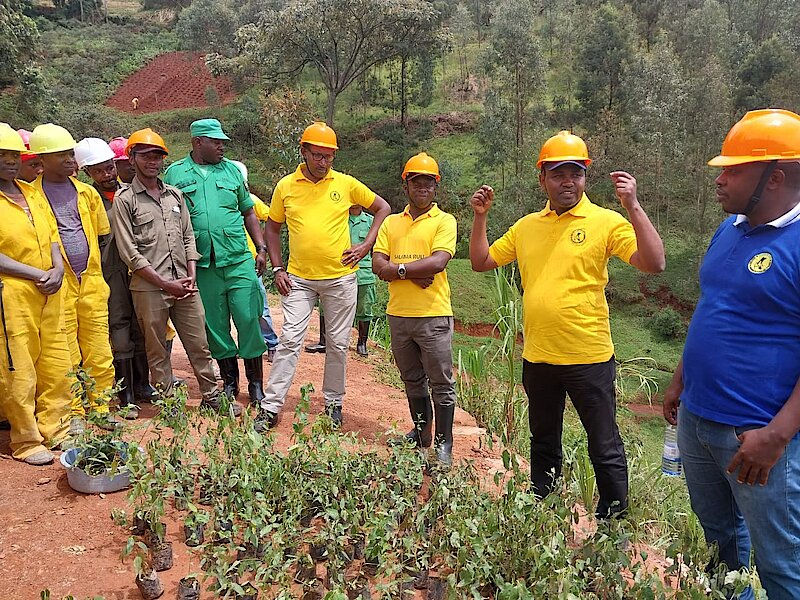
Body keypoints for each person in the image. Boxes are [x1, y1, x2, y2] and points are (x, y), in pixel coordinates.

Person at [469, 130, 665, 518]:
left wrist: (633, 205)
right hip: (539, 356)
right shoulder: (526, 226)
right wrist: (480, 217)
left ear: (585, 177)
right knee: (543, 441)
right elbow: (481, 261)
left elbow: (654, 262)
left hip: (588, 357)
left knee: (604, 445)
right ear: (542, 178)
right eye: (558, 174)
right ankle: (544, 513)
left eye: (576, 173)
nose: (568, 182)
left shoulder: (606, 221)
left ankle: (614, 525)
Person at [663, 109, 800, 600]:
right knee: (719, 543)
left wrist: (777, 435)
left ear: (774, 178)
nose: (719, 180)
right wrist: (680, 379)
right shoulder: (730, 229)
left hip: (757, 437)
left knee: (782, 563)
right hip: (698, 421)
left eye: (733, 171)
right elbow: (713, 305)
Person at [254, 122, 390, 430]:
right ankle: (271, 407)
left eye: (329, 156)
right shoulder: (286, 186)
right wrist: (278, 268)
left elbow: (382, 207)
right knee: (290, 340)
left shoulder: (345, 184)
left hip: (340, 278)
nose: (323, 162)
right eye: (317, 155)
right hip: (299, 280)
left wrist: (366, 245)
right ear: (303, 152)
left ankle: (333, 403)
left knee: (338, 344)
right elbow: (272, 229)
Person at [112, 128, 238, 416]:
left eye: (157, 156)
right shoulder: (125, 200)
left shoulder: (175, 195)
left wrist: (190, 273)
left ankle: (211, 396)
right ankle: (168, 403)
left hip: (185, 284)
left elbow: (188, 237)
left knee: (199, 344)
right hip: (149, 288)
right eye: (145, 156)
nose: (152, 162)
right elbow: (129, 252)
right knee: (157, 349)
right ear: (132, 159)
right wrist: (165, 284)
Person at [164, 119, 268, 406]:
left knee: (248, 317)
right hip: (201, 264)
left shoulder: (232, 171)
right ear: (198, 142)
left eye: (223, 142)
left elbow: (248, 212)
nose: (222, 146)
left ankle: (256, 384)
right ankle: (230, 382)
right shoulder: (175, 173)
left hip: (237, 258)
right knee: (215, 325)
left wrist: (261, 248)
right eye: (216, 141)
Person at [29, 124, 119, 432]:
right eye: (62, 155)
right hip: (58, 286)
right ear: (42, 159)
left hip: (91, 282)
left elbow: (101, 236)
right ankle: (74, 413)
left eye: (71, 153)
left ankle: (101, 406)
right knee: (64, 353)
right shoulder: (31, 196)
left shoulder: (87, 193)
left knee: (99, 349)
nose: (70, 160)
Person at [373, 152, 457, 465]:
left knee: (441, 383)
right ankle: (421, 434)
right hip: (399, 315)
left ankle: (444, 445)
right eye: (416, 181)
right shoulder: (391, 222)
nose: (422, 187)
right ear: (406, 185)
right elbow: (377, 265)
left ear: (436, 187)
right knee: (411, 379)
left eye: (428, 182)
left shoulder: (445, 221)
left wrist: (398, 269)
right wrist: (411, 272)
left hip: (433, 315)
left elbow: (438, 262)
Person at [0, 123, 72, 465]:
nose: (10, 162)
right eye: (2, 155)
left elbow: (53, 235)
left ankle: (57, 428)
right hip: (13, 294)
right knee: (19, 367)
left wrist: (57, 268)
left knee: (56, 362)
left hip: (51, 289)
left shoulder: (31, 193)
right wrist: (37, 274)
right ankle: (26, 439)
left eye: (15, 155)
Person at [74, 138, 158, 419]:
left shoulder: (131, 193)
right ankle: (126, 395)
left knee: (141, 325)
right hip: (108, 272)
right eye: (98, 171)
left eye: (109, 167)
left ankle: (142, 385)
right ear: (88, 172)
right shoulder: (87, 198)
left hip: (140, 268)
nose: (106, 174)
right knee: (119, 326)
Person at [304, 205, 377, 357]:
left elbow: (377, 249)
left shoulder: (371, 221)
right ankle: (324, 341)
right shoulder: (337, 218)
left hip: (363, 272)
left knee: (364, 307)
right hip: (336, 270)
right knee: (326, 304)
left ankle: (362, 343)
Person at [230, 159, 280, 363]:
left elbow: (272, 217)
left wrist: (263, 246)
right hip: (228, 259)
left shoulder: (250, 199)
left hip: (250, 261)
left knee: (259, 304)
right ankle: (241, 347)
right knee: (233, 308)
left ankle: (271, 343)